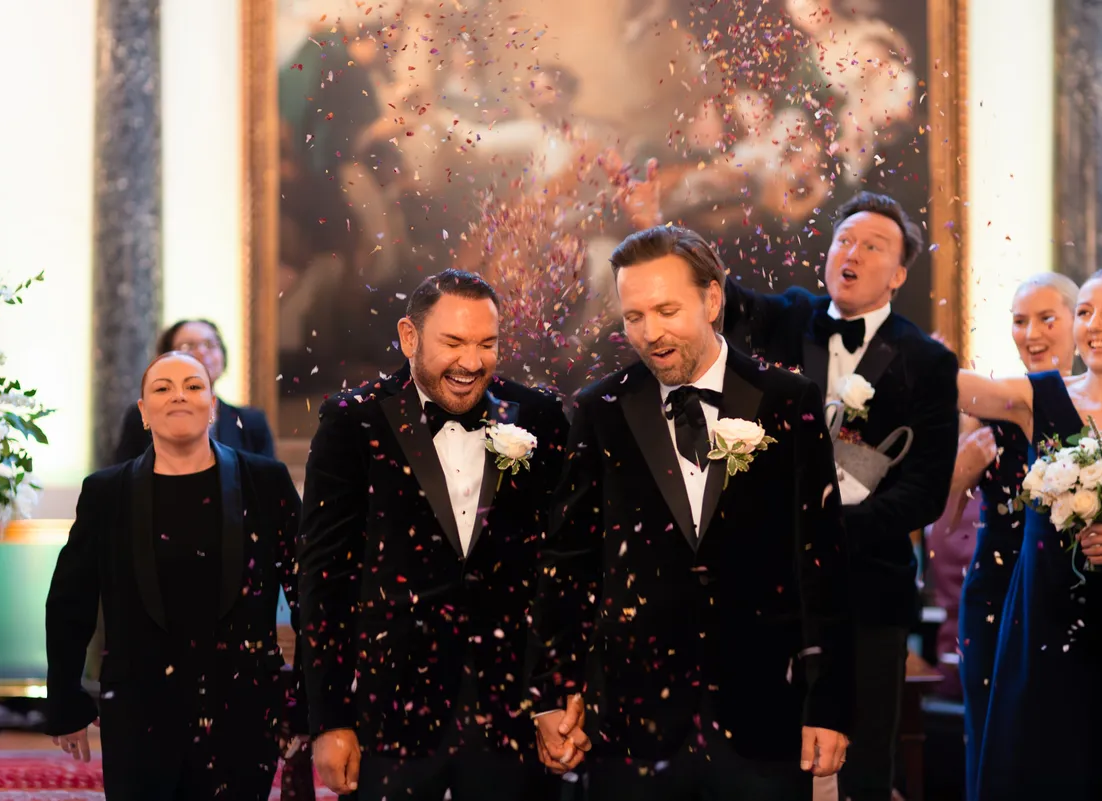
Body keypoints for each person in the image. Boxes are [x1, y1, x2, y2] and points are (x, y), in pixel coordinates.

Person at [530, 225, 853, 801]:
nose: (650, 333)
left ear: (712, 298)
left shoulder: (788, 400)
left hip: (763, 713)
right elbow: (567, 562)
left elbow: (822, 564)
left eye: (666, 309)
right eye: (633, 317)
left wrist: (827, 702)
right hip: (630, 725)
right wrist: (554, 691)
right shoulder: (598, 409)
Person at [721, 192, 960, 801]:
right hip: (773, 587)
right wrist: (652, 226)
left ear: (899, 274)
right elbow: (723, 300)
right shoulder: (792, 317)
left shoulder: (927, 361)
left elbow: (926, 492)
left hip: (869, 590)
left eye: (872, 245)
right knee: (768, 755)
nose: (851, 253)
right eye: (844, 240)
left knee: (860, 761)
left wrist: (831, 527)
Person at [299, 269, 569, 800]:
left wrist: (553, 695)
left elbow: (559, 570)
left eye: (486, 344)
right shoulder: (353, 422)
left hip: (512, 713)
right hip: (389, 717)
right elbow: (323, 578)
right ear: (409, 337)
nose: (472, 362)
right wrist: (329, 720)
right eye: (454, 342)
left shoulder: (538, 415)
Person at [44, 351, 305, 800]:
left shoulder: (266, 482)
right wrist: (66, 699)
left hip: (243, 707)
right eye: (162, 388)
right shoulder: (106, 492)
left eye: (193, 385)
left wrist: (305, 702)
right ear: (143, 412)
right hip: (137, 708)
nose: (178, 395)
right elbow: (71, 600)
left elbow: (309, 595)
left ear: (213, 406)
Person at [957, 267, 1102, 800]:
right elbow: (960, 388)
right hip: (1041, 623)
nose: (1094, 324)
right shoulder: (1039, 397)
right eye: (1087, 312)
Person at [925, 272, 1078, 800]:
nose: (1030, 333)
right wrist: (960, 474)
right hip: (993, 590)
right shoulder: (989, 409)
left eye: (1046, 319)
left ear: (1078, 327)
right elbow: (938, 531)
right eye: (1019, 321)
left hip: (1072, 599)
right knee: (994, 744)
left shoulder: (1101, 412)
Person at [112, 319, 275, 464]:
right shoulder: (141, 416)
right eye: (188, 346)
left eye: (210, 345)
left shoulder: (252, 422)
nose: (202, 352)